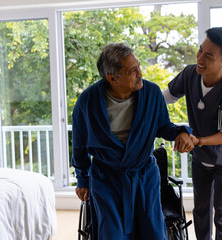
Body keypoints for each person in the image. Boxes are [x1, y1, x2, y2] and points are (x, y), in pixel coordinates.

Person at [71, 42, 194, 240]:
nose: (140, 73)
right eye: (132, 70)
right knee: (111, 235)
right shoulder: (87, 102)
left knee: (152, 233)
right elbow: (79, 146)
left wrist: (182, 133)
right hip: (106, 179)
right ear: (113, 78)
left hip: (143, 176)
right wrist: (82, 179)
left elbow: (163, 126)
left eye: (139, 66)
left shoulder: (152, 94)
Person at [163, 27, 222, 240]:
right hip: (201, 159)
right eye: (200, 50)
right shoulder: (190, 73)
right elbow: (167, 97)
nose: (200, 58)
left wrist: (197, 140)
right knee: (200, 212)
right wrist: (141, 102)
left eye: (208, 56)